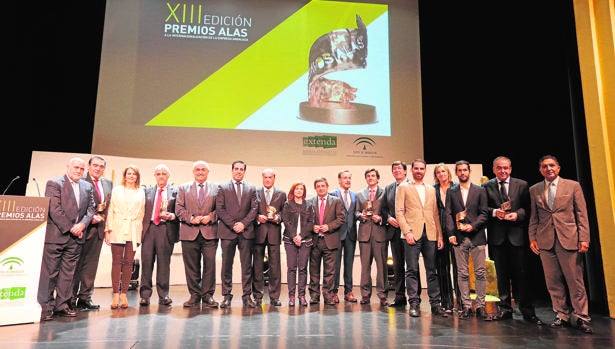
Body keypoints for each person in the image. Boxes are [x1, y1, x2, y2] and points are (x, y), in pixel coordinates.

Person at [528, 155, 592, 334]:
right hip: (545, 241)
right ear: (540, 170)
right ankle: (562, 314)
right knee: (553, 281)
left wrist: (584, 238)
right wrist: (532, 238)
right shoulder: (535, 190)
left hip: (570, 239)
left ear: (558, 167)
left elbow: (581, 214)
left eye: (551, 165)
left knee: (575, 280)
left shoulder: (573, 186)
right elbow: (534, 217)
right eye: (544, 166)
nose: (548, 168)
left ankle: (581, 316)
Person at [482, 156, 543, 325]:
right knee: (501, 276)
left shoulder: (522, 185)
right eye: (499, 168)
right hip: (497, 238)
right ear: (494, 169)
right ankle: (505, 309)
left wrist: (517, 215)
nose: (503, 171)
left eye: (506, 168)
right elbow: (482, 209)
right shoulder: (486, 186)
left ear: (511, 169)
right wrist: (495, 212)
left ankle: (527, 311)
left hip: (517, 236)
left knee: (522, 276)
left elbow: (528, 208)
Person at [38, 157, 95, 321]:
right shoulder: (54, 183)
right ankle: (46, 306)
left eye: (81, 169)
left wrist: (82, 225)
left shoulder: (87, 186)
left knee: (68, 274)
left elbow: (91, 209)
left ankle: (62, 305)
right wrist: (71, 228)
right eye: (76, 167)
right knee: (50, 273)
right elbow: (54, 209)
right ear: (68, 167)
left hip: (76, 238)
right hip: (57, 235)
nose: (78, 171)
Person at [396, 159, 447, 317]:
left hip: (430, 234)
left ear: (425, 170)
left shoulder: (431, 189)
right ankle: (414, 303)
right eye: (416, 168)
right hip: (412, 233)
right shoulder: (404, 187)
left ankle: (435, 304)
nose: (419, 171)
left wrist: (439, 235)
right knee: (411, 270)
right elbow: (399, 212)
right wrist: (407, 232)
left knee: (432, 270)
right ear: (411, 170)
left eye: (422, 168)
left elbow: (435, 214)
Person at [444, 160, 490, 320]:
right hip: (459, 237)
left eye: (465, 170)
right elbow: (448, 214)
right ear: (456, 173)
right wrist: (451, 233)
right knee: (462, 273)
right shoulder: (451, 191)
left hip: (477, 236)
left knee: (480, 273)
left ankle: (481, 307)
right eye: (460, 170)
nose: (463, 173)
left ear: (469, 172)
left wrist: (473, 226)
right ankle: (466, 307)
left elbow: (484, 213)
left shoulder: (480, 190)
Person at [174, 160, 220, 308]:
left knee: (210, 265)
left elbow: (220, 209)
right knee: (191, 266)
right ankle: (194, 295)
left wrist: (210, 217)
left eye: (203, 170)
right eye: (197, 170)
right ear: (193, 172)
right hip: (189, 232)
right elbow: (179, 208)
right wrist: (191, 219)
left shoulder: (217, 188)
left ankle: (207, 295)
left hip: (210, 233)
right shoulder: (183, 188)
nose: (200, 172)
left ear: (208, 172)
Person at [72, 155, 112, 311]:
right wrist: (89, 219)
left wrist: (107, 228)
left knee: (90, 267)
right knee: (76, 266)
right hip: (82, 229)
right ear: (88, 167)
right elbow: (76, 206)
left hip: (99, 231)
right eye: (95, 165)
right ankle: (70, 298)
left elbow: (108, 208)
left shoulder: (108, 183)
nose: (98, 168)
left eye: (101, 166)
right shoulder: (80, 181)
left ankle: (84, 298)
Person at [216, 160, 258, 308]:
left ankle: (247, 296)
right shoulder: (222, 187)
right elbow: (220, 209)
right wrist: (233, 224)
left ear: (244, 171)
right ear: (232, 170)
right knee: (226, 265)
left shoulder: (252, 188)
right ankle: (227, 296)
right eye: (236, 169)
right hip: (228, 232)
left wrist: (243, 224)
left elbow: (254, 209)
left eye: (241, 169)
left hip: (246, 232)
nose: (239, 171)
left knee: (246, 266)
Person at [104, 164, 145, 309]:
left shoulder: (141, 191)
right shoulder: (117, 190)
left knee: (129, 262)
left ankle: (124, 294)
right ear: (125, 175)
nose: (131, 176)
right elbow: (110, 210)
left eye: (134, 174)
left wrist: (139, 233)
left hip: (133, 229)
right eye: (129, 173)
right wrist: (108, 230)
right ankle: (115, 293)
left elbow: (142, 213)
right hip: (117, 227)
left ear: (137, 177)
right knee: (117, 262)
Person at [139, 164, 179, 306]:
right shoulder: (146, 191)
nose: (161, 176)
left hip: (165, 229)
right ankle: (145, 295)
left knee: (164, 264)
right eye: (158, 174)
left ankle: (163, 295)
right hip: (149, 229)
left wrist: (173, 215)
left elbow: (180, 211)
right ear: (155, 176)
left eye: (163, 173)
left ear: (168, 176)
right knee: (146, 263)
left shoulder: (176, 192)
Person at [308, 176, 345, 306]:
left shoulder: (336, 201)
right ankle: (314, 296)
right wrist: (312, 226)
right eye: (318, 186)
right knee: (314, 270)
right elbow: (306, 220)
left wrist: (329, 226)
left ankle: (328, 296)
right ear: (315, 188)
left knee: (330, 271)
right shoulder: (310, 202)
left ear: (327, 187)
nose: (321, 188)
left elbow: (341, 218)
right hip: (314, 241)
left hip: (331, 240)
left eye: (323, 186)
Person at [253, 168, 287, 306]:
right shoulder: (254, 193)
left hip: (274, 232)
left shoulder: (282, 194)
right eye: (265, 177)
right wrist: (256, 217)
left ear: (274, 178)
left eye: (270, 177)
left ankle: (274, 296)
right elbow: (250, 210)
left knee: (275, 266)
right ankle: (257, 296)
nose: (267, 179)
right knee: (257, 266)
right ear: (262, 178)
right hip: (258, 233)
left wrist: (278, 217)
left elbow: (285, 213)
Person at [355, 168, 388, 306]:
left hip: (380, 233)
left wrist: (380, 218)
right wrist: (360, 216)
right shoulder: (360, 194)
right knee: (365, 267)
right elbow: (355, 212)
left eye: (373, 176)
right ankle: (365, 295)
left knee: (382, 267)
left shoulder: (384, 193)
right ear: (366, 178)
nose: (370, 178)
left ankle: (382, 295)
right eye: (368, 176)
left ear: (378, 178)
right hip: (364, 234)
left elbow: (388, 212)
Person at [281, 181, 315, 307]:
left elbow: (311, 222)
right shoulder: (287, 204)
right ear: (293, 191)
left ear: (304, 192)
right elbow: (286, 220)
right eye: (297, 189)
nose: (299, 191)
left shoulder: (309, 205)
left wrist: (301, 236)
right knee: (291, 268)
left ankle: (301, 295)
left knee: (303, 269)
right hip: (290, 240)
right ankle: (291, 296)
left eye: (301, 189)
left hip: (305, 241)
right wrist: (294, 236)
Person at [433, 163, 459, 313]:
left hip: (455, 231)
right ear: (436, 175)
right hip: (439, 232)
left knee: (458, 268)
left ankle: (460, 302)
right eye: (438, 172)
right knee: (442, 268)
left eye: (443, 171)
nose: (441, 174)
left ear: (448, 173)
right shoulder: (433, 189)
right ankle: (447, 302)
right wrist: (438, 235)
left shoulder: (456, 188)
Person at [328, 170, 358, 303]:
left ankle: (348, 291)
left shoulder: (355, 195)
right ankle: (334, 292)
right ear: (339, 180)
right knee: (335, 265)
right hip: (336, 234)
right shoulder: (332, 194)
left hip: (351, 234)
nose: (347, 180)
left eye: (349, 178)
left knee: (349, 264)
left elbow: (355, 213)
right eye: (345, 178)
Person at [384, 160, 409, 307]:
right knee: (398, 266)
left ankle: (414, 297)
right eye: (394, 169)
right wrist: (388, 218)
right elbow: (384, 208)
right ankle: (400, 297)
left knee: (412, 266)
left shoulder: (412, 185)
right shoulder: (389, 188)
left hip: (409, 231)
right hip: (394, 231)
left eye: (399, 168)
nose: (397, 171)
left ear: (405, 171)